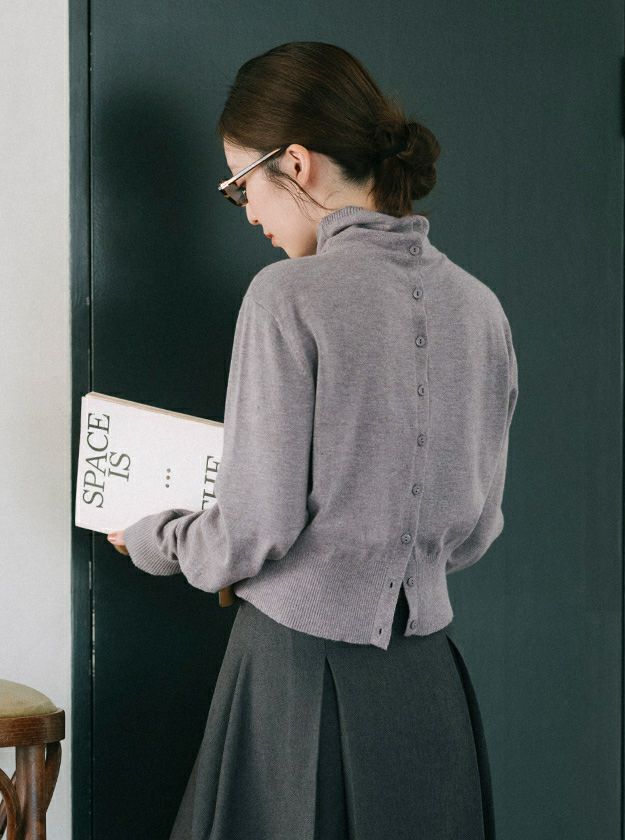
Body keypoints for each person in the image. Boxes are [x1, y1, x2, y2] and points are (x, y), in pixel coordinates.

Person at [108, 40, 518, 840]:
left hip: (296, 675)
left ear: (294, 162)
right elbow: (475, 530)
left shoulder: (286, 297)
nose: (249, 213)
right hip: (429, 684)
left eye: (242, 186)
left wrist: (156, 537)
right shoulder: (482, 309)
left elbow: (251, 531)